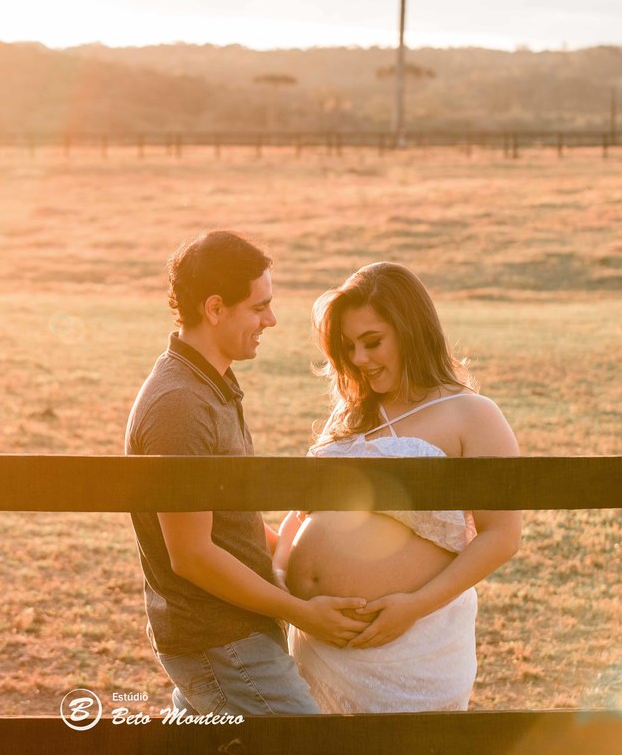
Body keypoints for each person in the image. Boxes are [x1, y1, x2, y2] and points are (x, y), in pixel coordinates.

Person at [125, 230, 368, 717]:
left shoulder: (207, 384)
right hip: (220, 641)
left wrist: (289, 549)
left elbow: (217, 518)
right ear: (215, 308)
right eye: (259, 307)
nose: (271, 320)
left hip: (231, 635)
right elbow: (192, 554)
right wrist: (304, 615)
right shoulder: (181, 405)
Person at [272, 261, 521, 713]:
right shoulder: (351, 415)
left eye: (373, 342)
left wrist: (413, 605)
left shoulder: (472, 414)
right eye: (349, 347)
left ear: (412, 331)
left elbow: (502, 535)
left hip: (409, 649)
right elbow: (313, 517)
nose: (359, 359)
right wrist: (287, 572)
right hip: (317, 645)